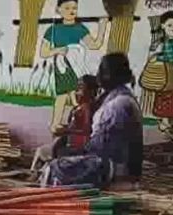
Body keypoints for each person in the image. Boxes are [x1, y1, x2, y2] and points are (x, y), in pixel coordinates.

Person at [40, 53, 143, 189]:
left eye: (101, 70)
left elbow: (99, 147)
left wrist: (74, 152)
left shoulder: (117, 104)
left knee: (55, 167)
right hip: (116, 163)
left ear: (109, 75)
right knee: (60, 156)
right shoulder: (119, 96)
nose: (98, 75)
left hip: (116, 168)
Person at [37, 0, 108, 132]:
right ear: (58, 10)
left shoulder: (80, 28)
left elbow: (95, 45)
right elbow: (43, 52)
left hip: (77, 63)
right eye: (67, 8)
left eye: (74, 8)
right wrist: (57, 50)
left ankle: (80, 122)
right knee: (62, 94)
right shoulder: (53, 30)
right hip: (63, 64)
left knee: (79, 94)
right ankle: (55, 124)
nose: (71, 11)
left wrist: (102, 27)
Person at [31, 75, 99, 171]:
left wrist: (66, 131)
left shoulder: (88, 109)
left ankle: (36, 172)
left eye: (81, 88)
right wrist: (65, 129)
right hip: (69, 144)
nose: (77, 92)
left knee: (43, 153)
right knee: (43, 152)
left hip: (77, 148)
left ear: (91, 91)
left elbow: (88, 131)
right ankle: (37, 172)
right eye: (77, 88)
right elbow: (76, 126)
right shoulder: (79, 108)